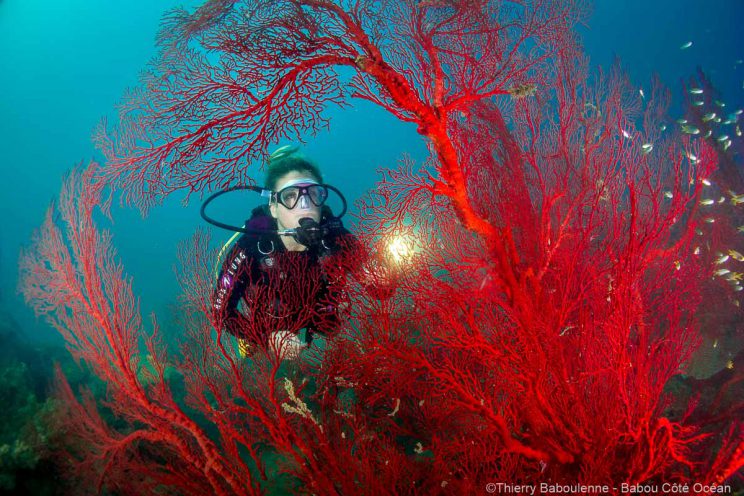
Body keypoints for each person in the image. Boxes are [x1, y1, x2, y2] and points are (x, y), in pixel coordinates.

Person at [211, 147, 381, 359]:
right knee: (251, 353)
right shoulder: (252, 247)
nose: (304, 205)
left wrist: (383, 275)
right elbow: (220, 312)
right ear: (273, 207)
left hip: (321, 320)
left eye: (312, 194)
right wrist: (263, 338)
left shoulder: (336, 238)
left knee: (333, 331)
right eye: (290, 196)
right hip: (271, 322)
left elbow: (381, 290)